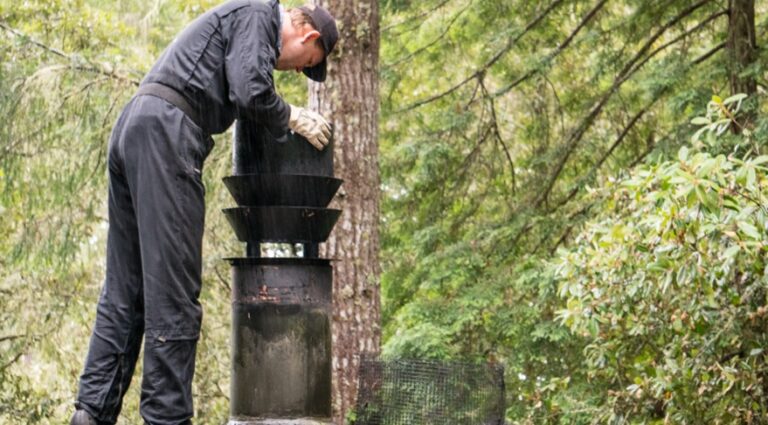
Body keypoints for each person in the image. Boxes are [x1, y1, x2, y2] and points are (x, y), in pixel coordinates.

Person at [69, 1, 338, 424]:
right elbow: (251, 92)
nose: (299, 71)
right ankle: (167, 420)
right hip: (166, 133)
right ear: (308, 38)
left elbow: (242, 86)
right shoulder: (260, 13)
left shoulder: (245, 24)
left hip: (136, 126)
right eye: (307, 64)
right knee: (174, 297)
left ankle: (90, 416)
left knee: (127, 291)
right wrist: (292, 117)